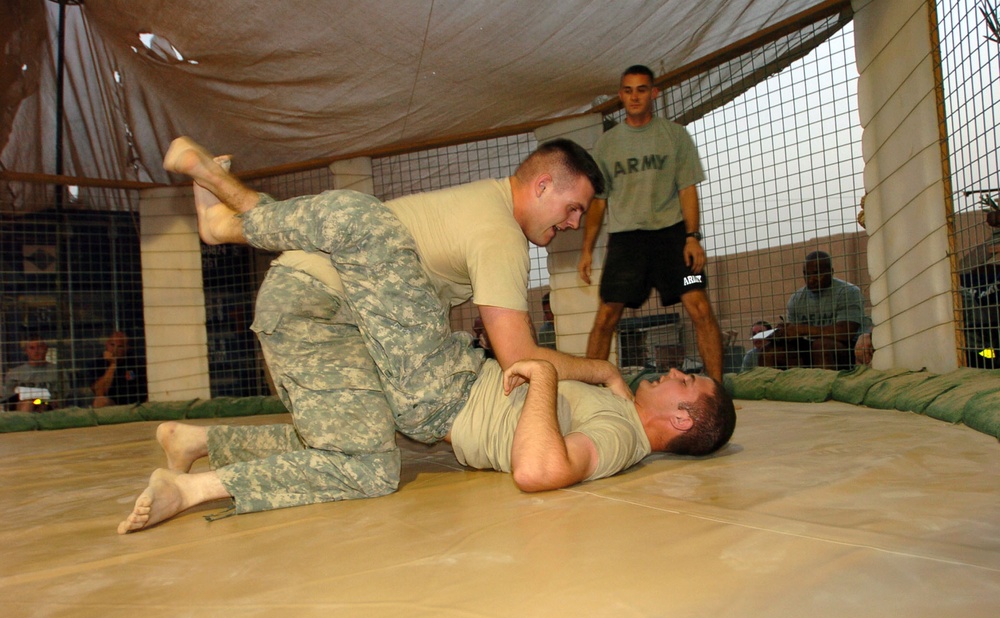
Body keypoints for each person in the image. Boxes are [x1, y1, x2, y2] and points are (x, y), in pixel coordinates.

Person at [118, 180, 736, 533]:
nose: (675, 370)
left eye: (687, 383)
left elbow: (540, 472)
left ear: (681, 420)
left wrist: (544, 375)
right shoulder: (622, 405)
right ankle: (196, 445)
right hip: (446, 393)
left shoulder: (622, 438)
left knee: (371, 229)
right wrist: (601, 370)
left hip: (444, 390)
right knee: (351, 451)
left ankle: (232, 221)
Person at [578, 64, 724, 382]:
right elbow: (598, 202)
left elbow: (687, 189)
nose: (635, 96)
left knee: (699, 306)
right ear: (621, 96)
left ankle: (718, 392)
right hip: (627, 242)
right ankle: (588, 396)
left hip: (672, 239)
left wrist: (692, 237)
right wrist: (587, 249)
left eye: (642, 89)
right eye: (628, 90)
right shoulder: (607, 144)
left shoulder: (675, 136)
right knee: (605, 316)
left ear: (653, 93)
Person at [761, 251, 865, 370]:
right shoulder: (796, 298)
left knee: (821, 346)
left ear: (831, 272)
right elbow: (796, 334)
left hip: (846, 349)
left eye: (817, 273)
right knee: (769, 351)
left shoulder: (848, 292)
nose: (811, 280)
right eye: (807, 274)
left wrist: (803, 329)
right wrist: (785, 332)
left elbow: (846, 332)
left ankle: (825, 387)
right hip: (808, 348)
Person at [2, 335, 67, 411]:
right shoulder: (15, 373)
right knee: (28, 403)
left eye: (39, 347)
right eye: (32, 348)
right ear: (26, 351)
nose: (36, 351)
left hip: (47, 404)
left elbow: (62, 396)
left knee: (40, 404)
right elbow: (8, 398)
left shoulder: (58, 371)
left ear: (46, 349)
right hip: (23, 405)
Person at [87, 330, 147, 407]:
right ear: (107, 345)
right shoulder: (98, 362)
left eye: (120, 346)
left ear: (126, 348)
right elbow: (99, 392)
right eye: (112, 345)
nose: (115, 350)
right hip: (112, 403)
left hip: (135, 403)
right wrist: (112, 365)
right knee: (100, 401)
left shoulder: (136, 362)